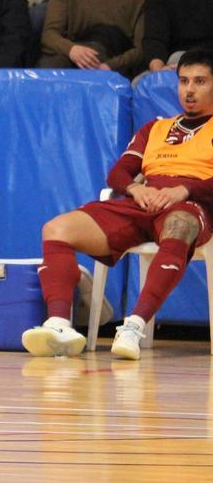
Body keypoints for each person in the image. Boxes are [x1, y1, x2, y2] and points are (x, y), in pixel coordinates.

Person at [23, 47, 213, 360]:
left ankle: (133, 327)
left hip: (189, 206)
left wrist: (184, 189)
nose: (189, 90)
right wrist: (135, 190)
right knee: (56, 228)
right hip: (144, 201)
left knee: (179, 225)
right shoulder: (156, 127)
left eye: (200, 82)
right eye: (183, 81)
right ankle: (59, 324)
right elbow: (120, 172)